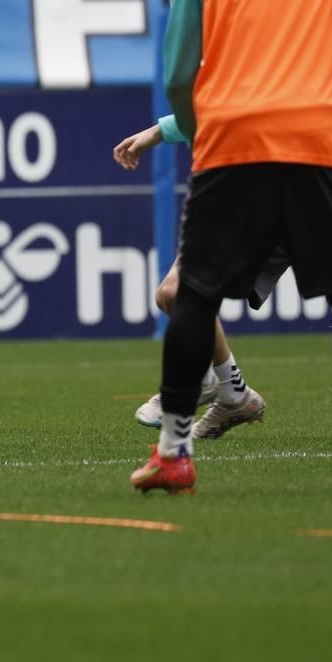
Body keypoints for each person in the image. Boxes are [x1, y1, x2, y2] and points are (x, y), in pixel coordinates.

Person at [131, 0, 332, 494]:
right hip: (322, 138)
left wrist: (195, 125)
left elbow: (175, 72)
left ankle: (174, 454)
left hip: (235, 142)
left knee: (193, 296)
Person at [112, 119, 267, 438]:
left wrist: (156, 132)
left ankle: (217, 386)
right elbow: (209, 105)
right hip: (245, 189)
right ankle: (221, 386)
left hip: (295, 181)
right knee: (173, 293)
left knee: (176, 293)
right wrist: (157, 132)